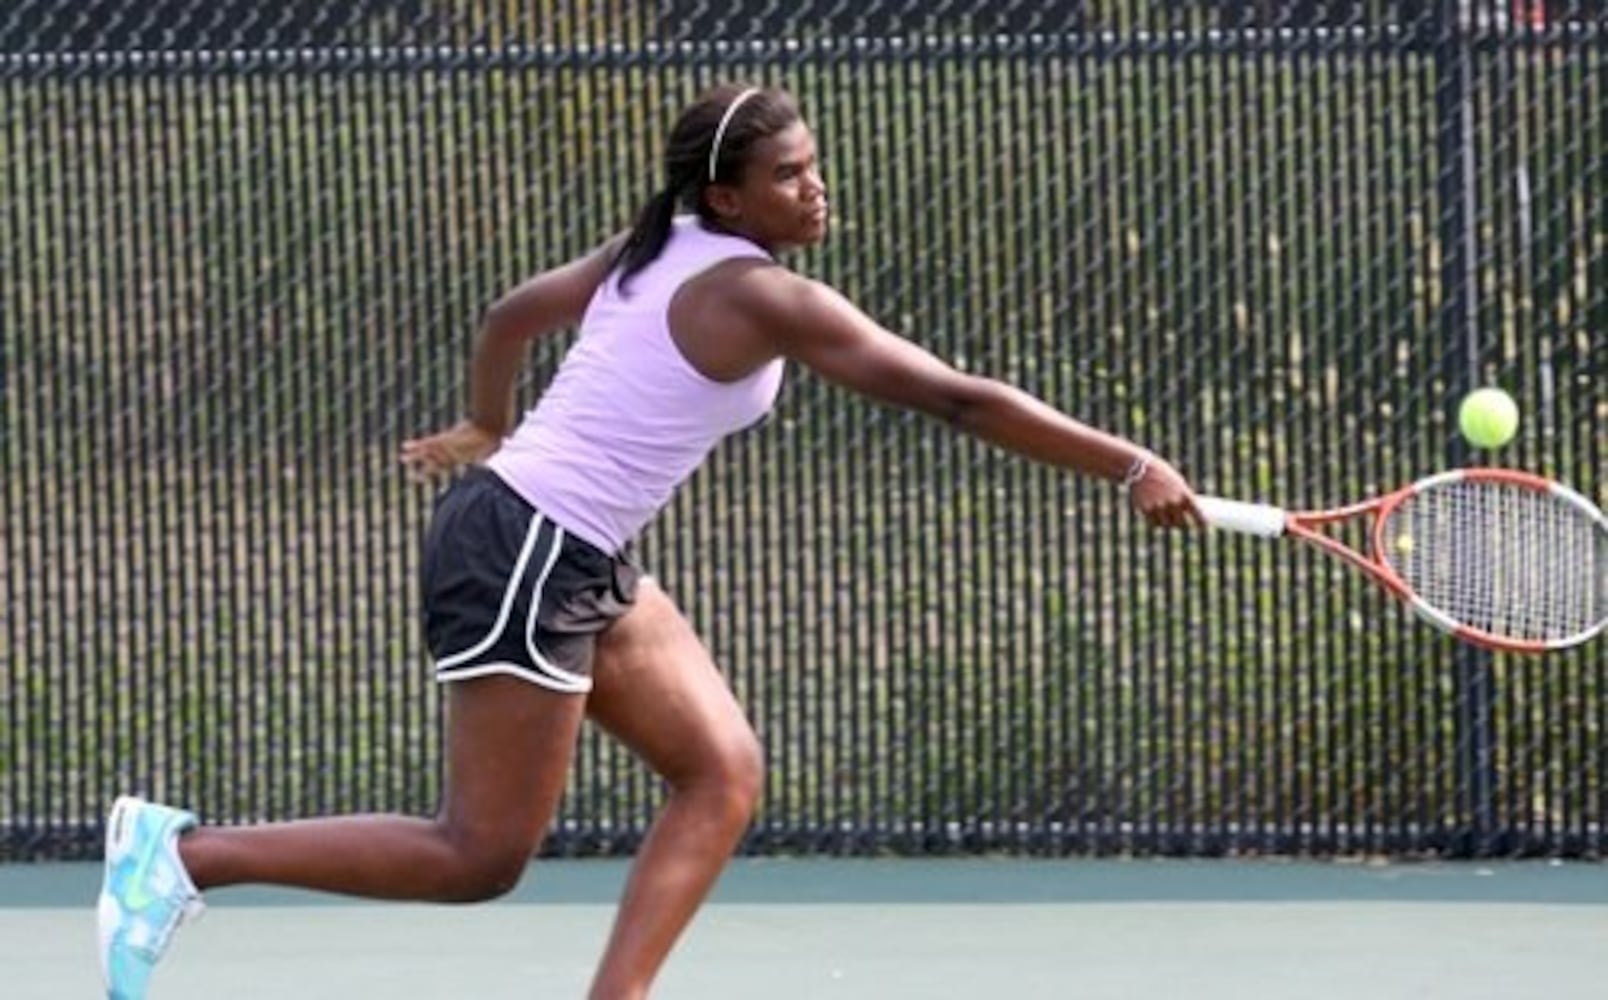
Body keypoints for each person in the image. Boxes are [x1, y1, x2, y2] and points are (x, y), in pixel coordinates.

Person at [97, 82, 1201, 1000]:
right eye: (786, 175)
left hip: (562, 539)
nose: (814, 185)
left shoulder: (660, 238)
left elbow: (509, 314)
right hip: (530, 547)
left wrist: (491, 421)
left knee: (720, 770)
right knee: (478, 855)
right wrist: (1131, 461)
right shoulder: (767, 293)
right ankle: (185, 855)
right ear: (727, 195)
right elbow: (959, 399)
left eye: (814, 164)